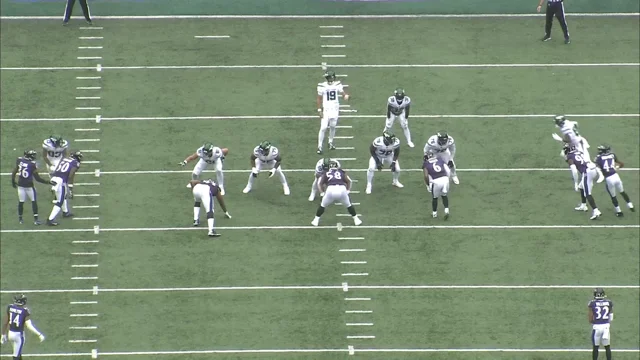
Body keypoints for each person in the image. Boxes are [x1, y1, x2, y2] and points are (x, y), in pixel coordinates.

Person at [1, 294, 45, 360]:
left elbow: (5, 322)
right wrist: (39, 334)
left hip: (10, 334)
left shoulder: (10, 307)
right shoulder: (24, 311)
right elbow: (29, 326)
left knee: (17, 352)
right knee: (16, 356)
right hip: (19, 335)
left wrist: (3, 334)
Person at [11, 150, 49, 225]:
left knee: (21, 202)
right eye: (33, 155)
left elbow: (15, 170)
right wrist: (48, 182)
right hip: (29, 186)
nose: (34, 157)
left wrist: (13, 180)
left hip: (21, 185)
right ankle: (36, 220)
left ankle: (20, 219)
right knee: (33, 201)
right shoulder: (32, 164)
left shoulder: (19, 160)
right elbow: (37, 179)